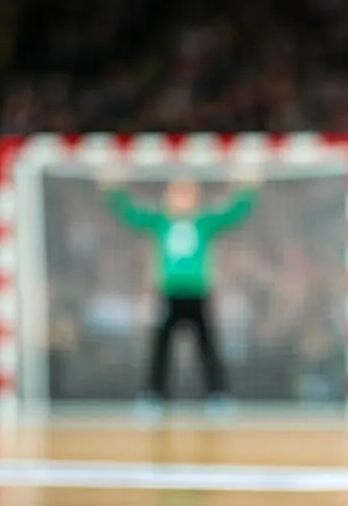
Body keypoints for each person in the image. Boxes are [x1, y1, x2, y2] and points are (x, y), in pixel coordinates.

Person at [100, 167, 259, 417]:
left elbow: (233, 214)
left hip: (197, 293)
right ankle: (154, 396)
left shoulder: (204, 222)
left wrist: (248, 190)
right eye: (177, 192)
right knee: (160, 347)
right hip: (168, 293)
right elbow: (131, 215)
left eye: (187, 192)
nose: (181, 197)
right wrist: (114, 190)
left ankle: (218, 396)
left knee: (208, 346)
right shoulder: (161, 222)